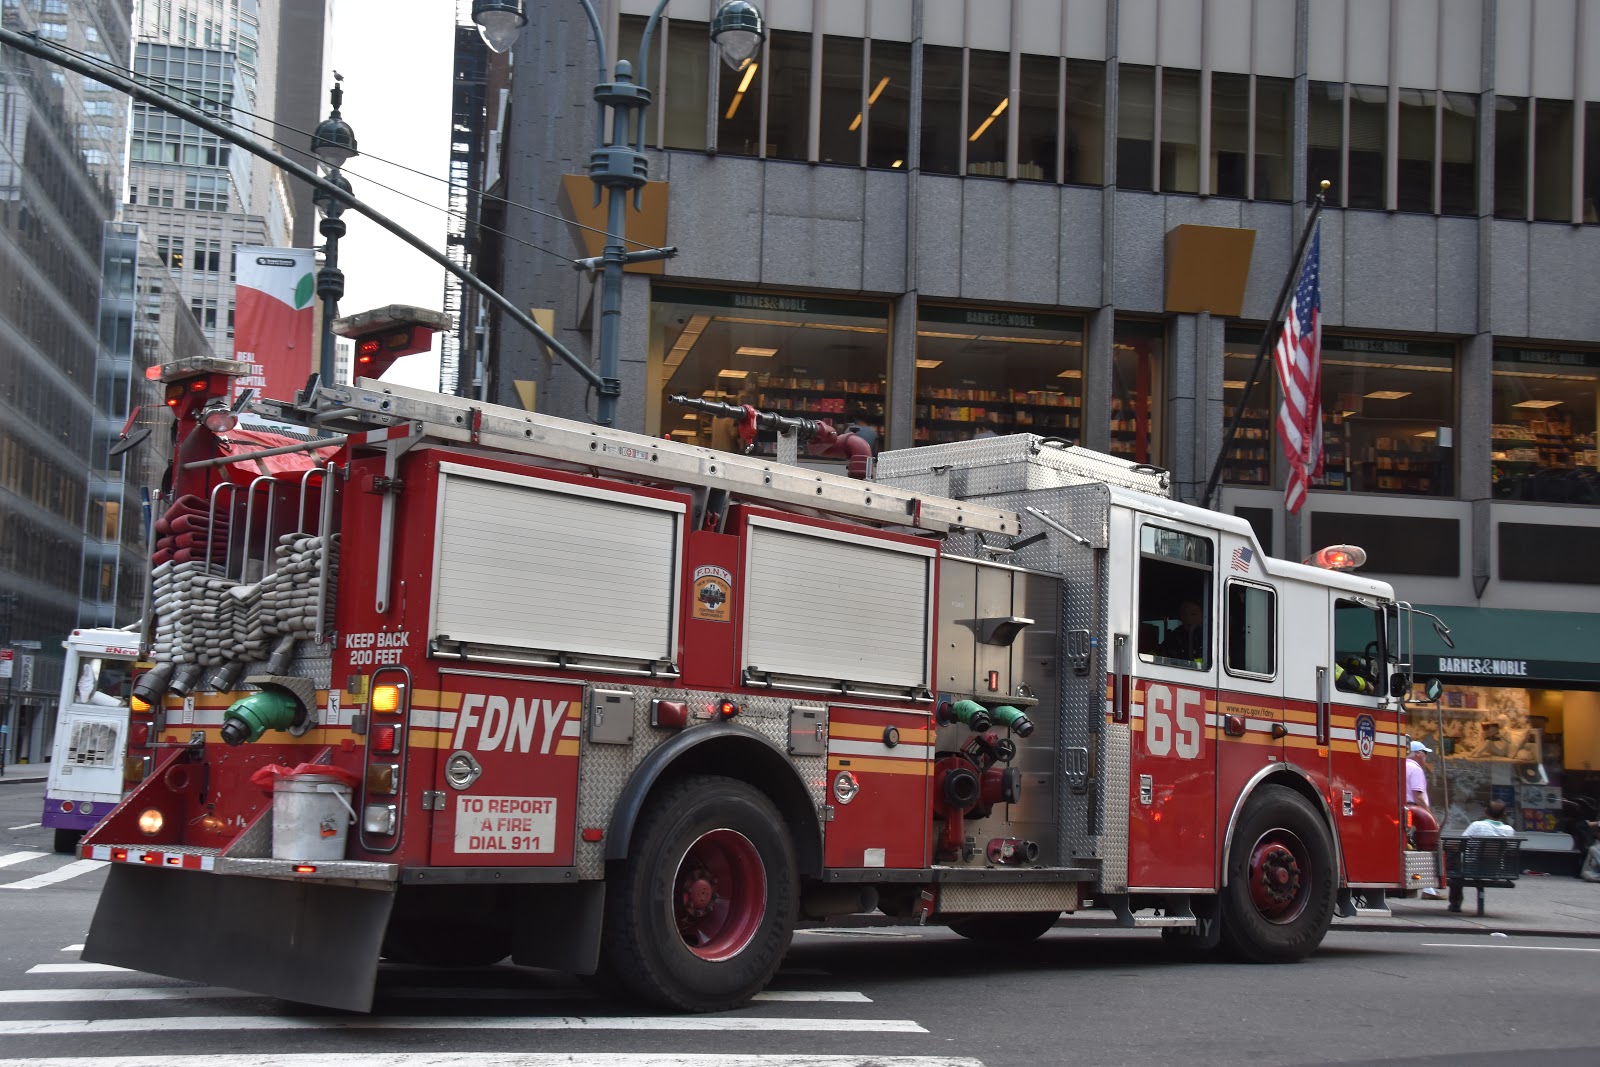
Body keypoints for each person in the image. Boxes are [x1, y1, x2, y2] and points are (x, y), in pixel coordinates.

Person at [1449, 800, 1517, 911]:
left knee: (1455, 865)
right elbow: (1509, 850)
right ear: (1503, 814)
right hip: (1495, 869)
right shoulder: (1509, 830)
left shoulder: (1477, 825)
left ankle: (1455, 903)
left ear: (1485, 812)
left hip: (1472, 867)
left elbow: (1462, 843)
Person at [1406, 740, 1442, 898]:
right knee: (1427, 845)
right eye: (1424, 753)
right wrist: (1431, 817)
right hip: (1416, 814)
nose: (1426, 757)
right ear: (1417, 754)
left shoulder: (1400, 765)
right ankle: (1428, 888)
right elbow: (1418, 796)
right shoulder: (1415, 769)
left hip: (1403, 811)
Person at [1156, 598, 1205, 663]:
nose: (1188, 618)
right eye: (1184, 614)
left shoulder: (1211, 636)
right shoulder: (1174, 637)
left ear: (1204, 615)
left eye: (1193, 614)